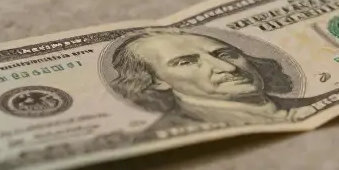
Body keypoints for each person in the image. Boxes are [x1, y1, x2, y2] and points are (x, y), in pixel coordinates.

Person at [107, 27, 304, 126]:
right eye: (186, 62)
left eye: (225, 54)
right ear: (157, 80)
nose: (226, 67)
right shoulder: (177, 128)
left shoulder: (307, 106)